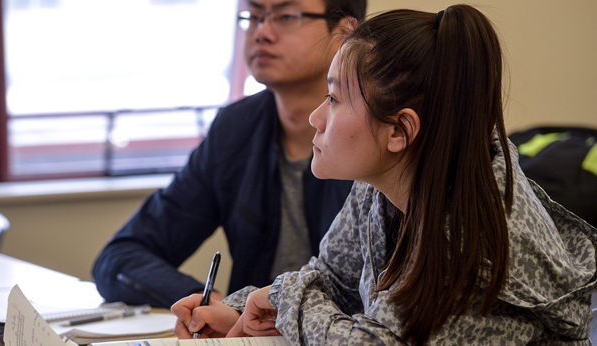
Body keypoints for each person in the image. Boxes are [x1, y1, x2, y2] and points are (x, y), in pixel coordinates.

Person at [171, 5, 597, 345]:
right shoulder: (385, 179)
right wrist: (239, 306)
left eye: (335, 98)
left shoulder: (471, 233)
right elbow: (330, 279)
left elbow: (380, 343)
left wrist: (282, 301)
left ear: (398, 131)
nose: (317, 117)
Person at [91, 0, 367, 308]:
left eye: (286, 16)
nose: (261, 32)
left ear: (344, 33)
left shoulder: (378, 137)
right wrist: (210, 302)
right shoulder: (236, 130)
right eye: (254, 16)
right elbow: (119, 257)